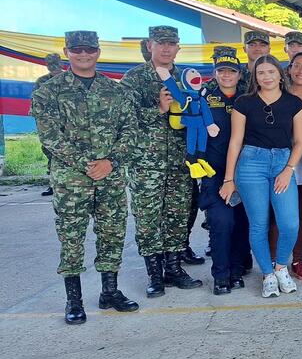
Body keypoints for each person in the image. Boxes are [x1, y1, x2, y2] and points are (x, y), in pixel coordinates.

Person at [30, 30, 139, 324]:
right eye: (77, 49)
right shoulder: (47, 92)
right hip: (70, 180)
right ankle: (74, 300)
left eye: (89, 49)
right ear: (67, 52)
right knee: (71, 237)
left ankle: (110, 292)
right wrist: (88, 163)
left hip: (111, 177)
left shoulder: (116, 91)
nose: (83, 54)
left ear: (97, 52)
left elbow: (130, 131)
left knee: (112, 233)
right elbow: (50, 137)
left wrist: (111, 162)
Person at [120, 25, 203, 296]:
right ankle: (155, 275)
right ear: (149, 46)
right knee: (148, 218)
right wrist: (159, 109)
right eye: (161, 43)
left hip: (181, 161)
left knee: (178, 215)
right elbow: (123, 119)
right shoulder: (134, 78)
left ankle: (174, 268)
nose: (166, 48)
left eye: (171, 43)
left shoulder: (186, 77)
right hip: (147, 163)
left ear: (178, 47)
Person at [220, 55, 302, 298]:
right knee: (258, 223)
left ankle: (281, 267)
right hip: (251, 164)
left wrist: (288, 170)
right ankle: (268, 274)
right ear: (255, 77)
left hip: (282, 162)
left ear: (280, 74)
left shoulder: (294, 103)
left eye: (270, 72)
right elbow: (235, 142)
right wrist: (229, 179)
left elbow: (300, 141)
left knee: (289, 223)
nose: (266, 77)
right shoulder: (244, 102)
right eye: (261, 73)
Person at [199, 46, 252, 295]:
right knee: (222, 222)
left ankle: (237, 269)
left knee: (242, 222)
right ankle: (221, 274)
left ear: (240, 74)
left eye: (232, 71)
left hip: (246, 171)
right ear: (215, 73)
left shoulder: (249, 97)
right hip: (214, 172)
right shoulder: (202, 96)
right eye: (222, 71)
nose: (227, 75)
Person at [275, 51, 302, 281]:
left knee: (301, 214)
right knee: (276, 215)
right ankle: (275, 263)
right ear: (289, 69)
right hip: (278, 164)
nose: (301, 71)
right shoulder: (275, 93)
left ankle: (297, 260)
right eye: (297, 66)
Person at [34, 52, 63, 196]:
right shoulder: (42, 81)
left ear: (61, 63)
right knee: (51, 153)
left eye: (56, 64)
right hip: (50, 125)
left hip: (69, 125)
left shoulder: (70, 79)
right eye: (51, 64)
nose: (54, 67)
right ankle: (53, 184)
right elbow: (36, 104)